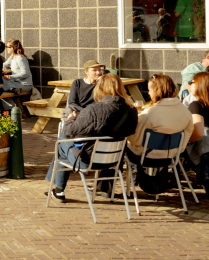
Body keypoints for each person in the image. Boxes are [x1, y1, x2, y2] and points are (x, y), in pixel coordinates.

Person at [45, 74, 138, 202]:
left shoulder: (94, 109)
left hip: (88, 160)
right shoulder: (132, 109)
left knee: (62, 140)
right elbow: (131, 131)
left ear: (99, 88)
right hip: (114, 160)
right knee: (65, 142)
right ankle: (57, 187)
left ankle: (58, 189)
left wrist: (71, 119)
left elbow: (69, 132)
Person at [126, 74, 193, 160]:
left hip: (147, 155)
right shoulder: (185, 111)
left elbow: (134, 138)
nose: (149, 93)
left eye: (149, 90)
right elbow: (188, 132)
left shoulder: (150, 113)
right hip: (172, 154)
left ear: (156, 91)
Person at [184, 72, 209, 199]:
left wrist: (187, 142)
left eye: (193, 83)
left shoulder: (195, 105)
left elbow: (198, 130)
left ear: (200, 86)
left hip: (202, 143)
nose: (190, 85)